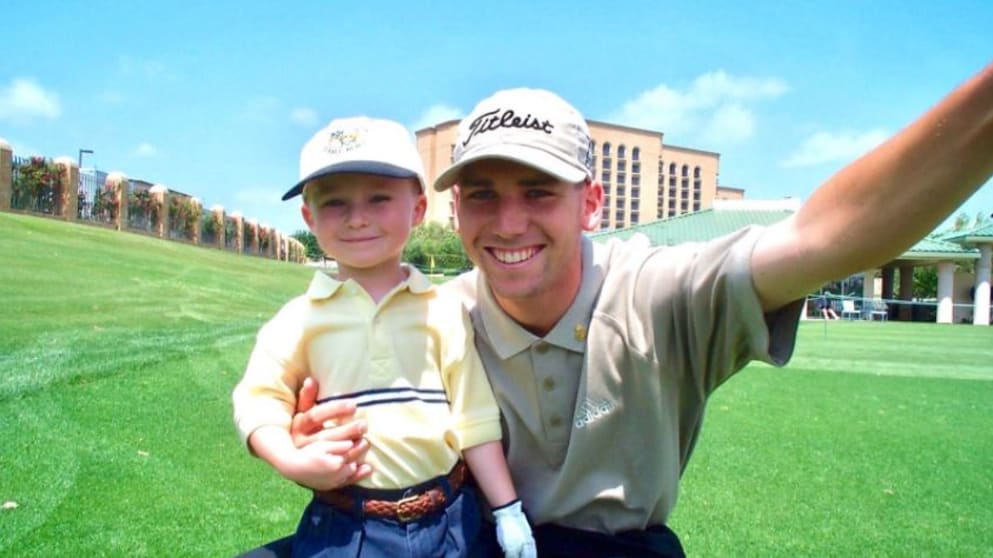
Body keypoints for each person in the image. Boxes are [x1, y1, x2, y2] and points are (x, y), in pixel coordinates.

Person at [279, 63, 993, 557]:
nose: (507, 222)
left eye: (537, 192)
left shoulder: (662, 293)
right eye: (484, 195)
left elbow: (824, 236)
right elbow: (331, 413)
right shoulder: (432, 312)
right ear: (454, 207)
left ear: (591, 203)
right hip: (469, 535)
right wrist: (313, 444)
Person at [232, 116, 535, 558]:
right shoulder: (298, 319)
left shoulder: (444, 310)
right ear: (308, 217)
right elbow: (258, 403)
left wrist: (508, 511)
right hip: (346, 528)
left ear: (417, 209)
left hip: (451, 519)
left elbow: (475, 420)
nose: (358, 219)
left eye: (379, 199)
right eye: (335, 203)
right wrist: (293, 460)